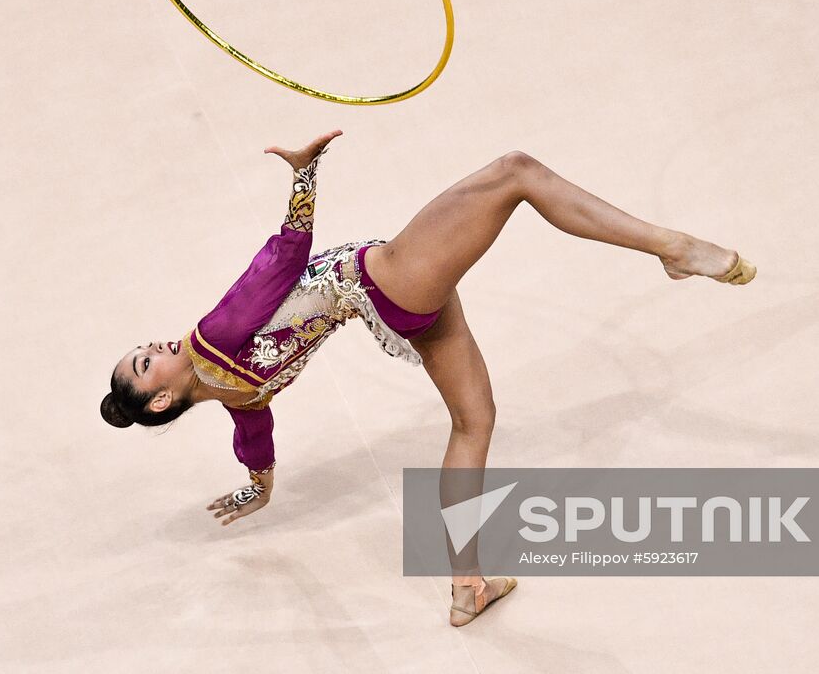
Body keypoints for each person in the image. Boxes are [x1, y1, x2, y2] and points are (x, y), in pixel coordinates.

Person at [101, 130, 755, 626]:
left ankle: (467, 585)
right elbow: (282, 257)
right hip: (385, 275)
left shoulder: (237, 390)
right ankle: (671, 246)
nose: (152, 346)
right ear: (160, 394)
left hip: (396, 308)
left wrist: (255, 490)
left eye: (140, 348)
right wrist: (305, 176)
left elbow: (256, 439)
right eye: (143, 361)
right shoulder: (211, 338)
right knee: (515, 172)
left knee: (474, 422)